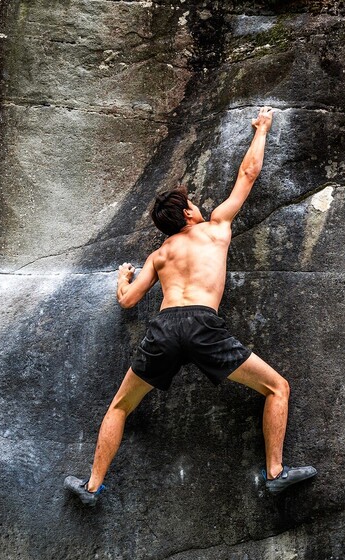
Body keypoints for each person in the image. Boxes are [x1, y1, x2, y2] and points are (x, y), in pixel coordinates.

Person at [65, 106, 316, 505]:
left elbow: (128, 300)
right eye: (193, 203)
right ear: (187, 213)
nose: (198, 205)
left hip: (164, 327)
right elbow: (247, 175)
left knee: (119, 405)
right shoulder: (214, 228)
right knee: (277, 387)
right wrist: (262, 129)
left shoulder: (160, 255)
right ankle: (274, 473)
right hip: (202, 324)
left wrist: (122, 276)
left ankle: (92, 486)